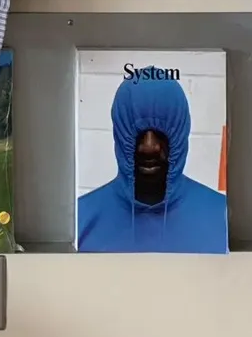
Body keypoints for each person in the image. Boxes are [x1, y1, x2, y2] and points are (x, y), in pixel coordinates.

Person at [77, 74, 227, 253]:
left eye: (161, 134)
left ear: (180, 133)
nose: (149, 147)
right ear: (119, 133)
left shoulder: (225, 219)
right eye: (137, 133)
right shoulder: (78, 221)